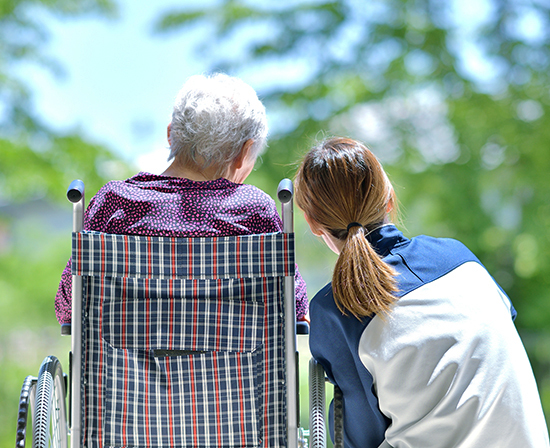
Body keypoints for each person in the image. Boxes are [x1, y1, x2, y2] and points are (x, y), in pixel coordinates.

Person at [294, 136, 549, 448]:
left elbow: (361, 436)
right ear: (388, 198)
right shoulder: (459, 259)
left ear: (312, 221)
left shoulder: (337, 308)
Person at [55, 73, 308, 324]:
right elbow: (294, 306)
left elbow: (69, 306)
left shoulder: (113, 203)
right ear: (244, 152)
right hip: (233, 365)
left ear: (170, 135)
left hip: (127, 364)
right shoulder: (254, 210)